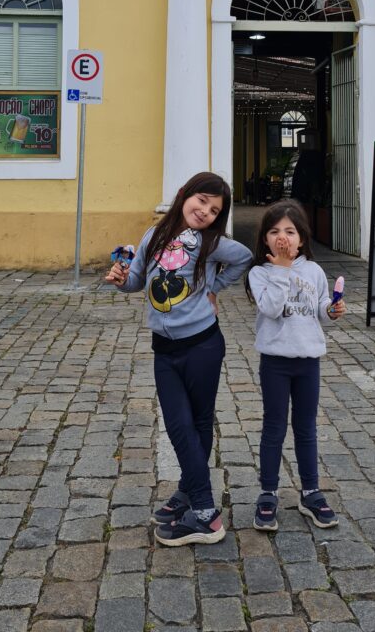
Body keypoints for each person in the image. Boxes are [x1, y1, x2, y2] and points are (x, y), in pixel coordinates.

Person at [105, 172, 252, 546]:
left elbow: (244, 258)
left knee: (195, 423)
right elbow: (137, 279)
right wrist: (121, 280)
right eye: (201, 201)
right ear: (185, 195)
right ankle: (188, 495)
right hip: (164, 349)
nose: (204, 211)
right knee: (179, 423)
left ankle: (205, 514)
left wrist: (213, 288)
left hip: (203, 345)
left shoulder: (210, 242)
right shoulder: (152, 236)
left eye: (214, 209)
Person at [247, 199, 346, 532]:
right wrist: (281, 271)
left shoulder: (314, 271)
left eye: (290, 231)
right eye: (274, 231)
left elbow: (319, 307)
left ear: (302, 238)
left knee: (306, 428)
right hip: (275, 360)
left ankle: (311, 491)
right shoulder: (260, 273)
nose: (282, 237)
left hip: (308, 361)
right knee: (274, 426)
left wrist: (331, 310)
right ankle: (268, 491)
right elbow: (272, 308)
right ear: (265, 239)